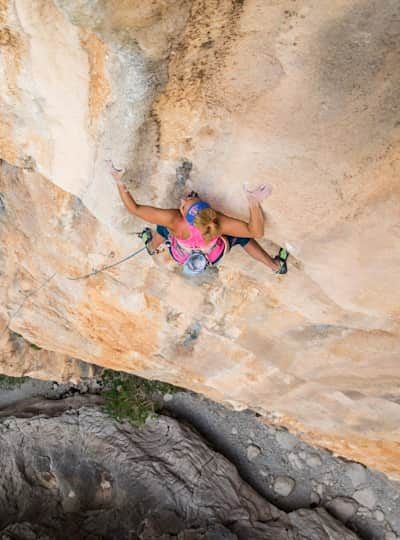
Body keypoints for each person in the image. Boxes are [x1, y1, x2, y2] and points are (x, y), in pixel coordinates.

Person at [108, 162, 288, 274]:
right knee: (242, 237)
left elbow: (135, 209)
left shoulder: (174, 221)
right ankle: (275, 266)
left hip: (182, 254)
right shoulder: (218, 222)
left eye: (184, 204)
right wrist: (253, 203)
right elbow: (256, 232)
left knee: (163, 228)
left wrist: (118, 181)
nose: (183, 199)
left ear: (185, 217)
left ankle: (151, 247)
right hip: (212, 253)